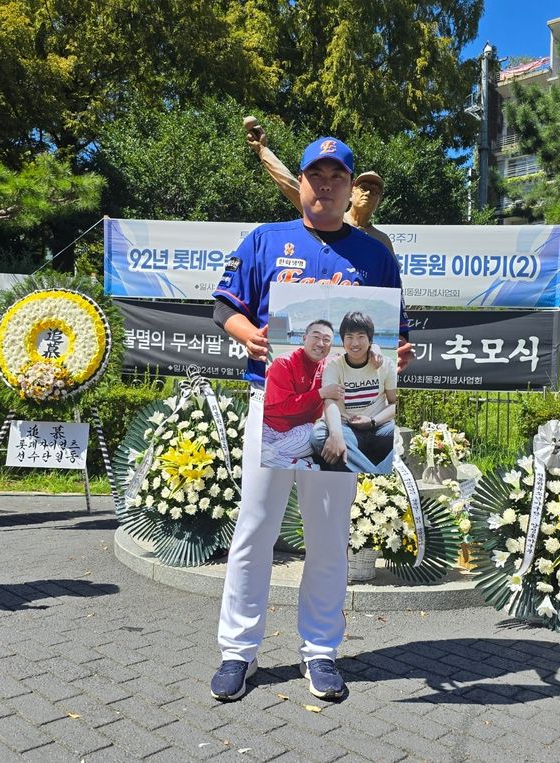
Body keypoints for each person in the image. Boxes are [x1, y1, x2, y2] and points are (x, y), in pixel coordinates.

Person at [211, 135, 412, 702]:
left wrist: (398, 355)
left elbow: (395, 329)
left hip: (341, 414)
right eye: (315, 175)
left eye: (336, 177)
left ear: (351, 189)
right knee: (256, 529)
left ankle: (320, 650)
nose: (325, 185)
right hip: (273, 406)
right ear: (299, 182)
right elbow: (226, 304)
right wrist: (246, 332)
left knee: (327, 537)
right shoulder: (266, 239)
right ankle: (237, 652)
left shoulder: (373, 253)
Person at [245, 119, 394, 254]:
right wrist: (263, 150)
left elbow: (391, 283)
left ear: (380, 200)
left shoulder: (382, 242)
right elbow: (289, 183)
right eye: (364, 187)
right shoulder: (328, 213)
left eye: (374, 191)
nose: (368, 193)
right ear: (352, 189)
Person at [311, 311, 396, 474]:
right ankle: (379, 478)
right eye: (349, 337)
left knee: (398, 435)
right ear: (343, 341)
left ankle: (371, 478)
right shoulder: (334, 367)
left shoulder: (385, 364)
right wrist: (336, 434)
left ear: (370, 340)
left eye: (361, 336)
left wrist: (372, 421)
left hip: (379, 427)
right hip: (347, 429)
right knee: (319, 435)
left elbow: (394, 403)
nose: (355, 343)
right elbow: (330, 402)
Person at [261, 319, 343, 470]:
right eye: (316, 337)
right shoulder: (284, 363)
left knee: (313, 435)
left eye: (326, 340)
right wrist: (321, 393)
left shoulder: (329, 365)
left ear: (331, 345)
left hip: (299, 431)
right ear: (304, 338)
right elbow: (284, 407)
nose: (320, 343)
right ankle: (303, 466)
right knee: (257, 451)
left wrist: (374, 349)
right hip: (270, 427)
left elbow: (355, 356)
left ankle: (270, 458)